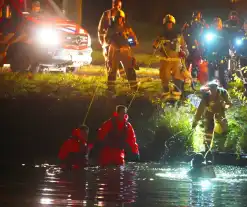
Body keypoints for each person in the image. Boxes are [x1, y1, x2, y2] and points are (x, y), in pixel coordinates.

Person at [192, 80, 232, 161]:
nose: (212, 90)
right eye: (211, 89)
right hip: (209, 112)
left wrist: (225, 106)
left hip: (220, 111)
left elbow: (229, 104)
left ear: (217, 88)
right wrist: (194, 123)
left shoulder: (223, 93)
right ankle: (207, 149)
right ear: (209, 89)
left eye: (214, 88)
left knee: (224, 126)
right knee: (208, 131)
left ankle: (224, 147)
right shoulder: (206, 97)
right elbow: (199, 111)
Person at [153, 14, 189, 101]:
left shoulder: (178, 36)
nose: (169, 25)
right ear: (164, 24)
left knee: (178, 76)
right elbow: (155, 46)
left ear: (173, 24)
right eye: (167, 23)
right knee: (165, 77)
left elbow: (184, 46)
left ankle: (176, 98)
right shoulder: (161, 35)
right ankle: (166, 97)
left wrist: (184, 52)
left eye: (170, 23)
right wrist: (157, 43)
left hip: (176, 60)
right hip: (165, 60)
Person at [104, 10, 139, 93]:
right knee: (112, 70)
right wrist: (112, 42)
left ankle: (134, 89)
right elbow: (107, 39)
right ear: (115, 19)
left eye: (121, 18)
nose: (119, 20)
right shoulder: (111, 28)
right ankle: (111, 90)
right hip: (114, 52)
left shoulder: (127, 28)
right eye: (117, 18)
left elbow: (132, 39)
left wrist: (132, 42)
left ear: (123, 19)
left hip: (126, 52)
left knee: (130, 69)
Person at [202, 17, 229, 88]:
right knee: (210, 73)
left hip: (221, 55)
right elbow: (207, 44)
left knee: (221, 74)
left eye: (218, 22)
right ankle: (211, 89)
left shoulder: (224, 33)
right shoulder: (210, 33)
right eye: (215, 22)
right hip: (211, 55)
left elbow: (226, 44)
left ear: (220, 24)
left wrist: (224, 54)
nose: (216, 24)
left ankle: (224, 89)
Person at [98, 0, 124, 69]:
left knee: (119, 54)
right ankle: (109, 72)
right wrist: (102, 40)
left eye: (119, 6)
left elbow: (123, 26)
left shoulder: (121, 14)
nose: (117, 7)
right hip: (107, 39)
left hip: (117, 39)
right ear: (113, 5)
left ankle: (120, 71)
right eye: (116, 5)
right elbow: (100, 28)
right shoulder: (106, 14)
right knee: (108, 56)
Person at [182, 11, 208, 80]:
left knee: (197, 58)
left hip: (200, 42)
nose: (197, 17)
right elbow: (187, 32)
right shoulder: (191, 23)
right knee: (190, 58)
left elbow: (205, 31)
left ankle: (195, 73)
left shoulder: (202, 23)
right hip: (192, 42)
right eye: (196, 15)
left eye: (198, 15)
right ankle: (187, 74)